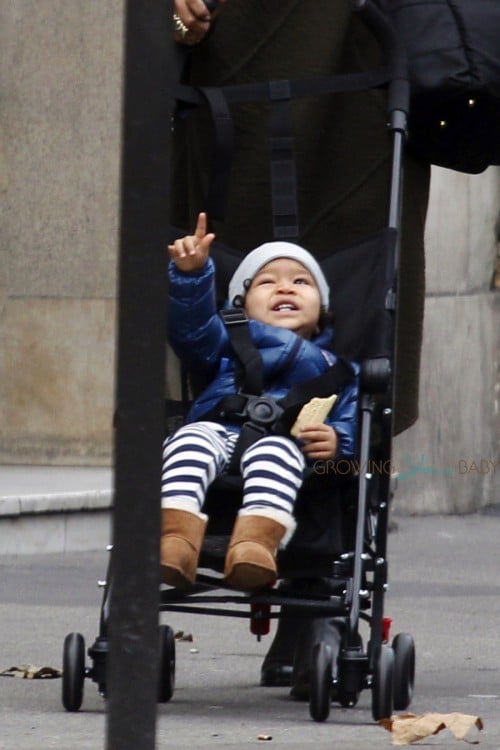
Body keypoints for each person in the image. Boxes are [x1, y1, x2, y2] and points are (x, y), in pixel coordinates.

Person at [169, 0, 430, 690]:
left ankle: (317, 585)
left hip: (363, 55)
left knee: (360, 298)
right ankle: (182, 538)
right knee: (219, 249)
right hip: (231, 60)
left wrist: (343, 442)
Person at [161, 212, 358, 592]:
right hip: (217, 429)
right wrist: (191, 277)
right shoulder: (226, 342)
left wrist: (337, 444)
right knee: (189, 440)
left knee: (278, 457)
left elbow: (350, 421)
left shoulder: (341, 370)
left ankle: (254, 547)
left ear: (323, 310)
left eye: (301, 282)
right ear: (241, 306)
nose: (285, 289)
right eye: (267, 282)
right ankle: (175, 540)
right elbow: (191, 330)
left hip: (285, 443)